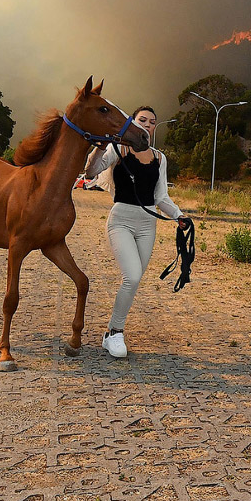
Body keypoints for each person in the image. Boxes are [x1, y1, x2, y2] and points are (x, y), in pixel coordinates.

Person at [83, 105, 189, 358]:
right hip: (121, 220)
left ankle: (110, 331)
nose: (147, 125)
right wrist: (99, 147)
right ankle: (116, 332)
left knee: (134, 279)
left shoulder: (159, 158)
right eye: (142, 120)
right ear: (133, 122)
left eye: (152, 122)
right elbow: (90, 171)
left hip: (147, 224)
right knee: (131, 276)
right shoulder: (118, 148)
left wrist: (178, 215)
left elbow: (161, 196)